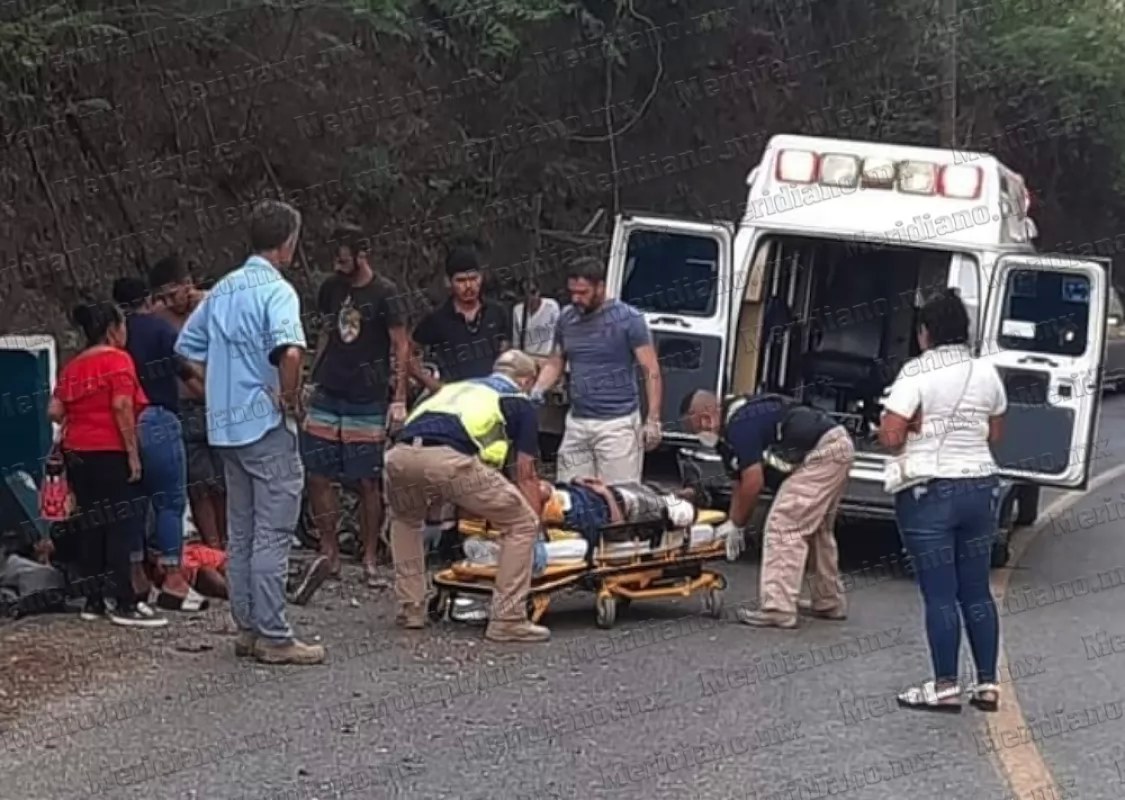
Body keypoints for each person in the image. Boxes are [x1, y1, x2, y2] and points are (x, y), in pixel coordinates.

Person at [175, 199, 322, 666]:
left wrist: (214, 387)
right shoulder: (277, 291)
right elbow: (291, 352)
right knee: (272, 533)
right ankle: (275, 634)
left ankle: (247, 627)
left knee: (241, 530)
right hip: (265, 424)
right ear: (288, 243)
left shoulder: (223, 288)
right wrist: (289, 398)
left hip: (225, 426)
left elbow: (185, 348)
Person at [878, 288, 1007, 713]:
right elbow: (995, 434)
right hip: (981, 486)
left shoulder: (916, 371)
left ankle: (945, 685)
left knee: (940, 594)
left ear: (925, 331)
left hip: (930, 490)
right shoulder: (986, 372)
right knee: (976, 590)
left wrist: (913, 427)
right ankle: (987, 684)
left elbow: (891, 437)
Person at [384, 350, 546, 642]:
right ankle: (508, 619)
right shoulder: (518, 402)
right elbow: (526, 474)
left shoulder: (455, 390)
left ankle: (412, 609)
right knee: (521, 523)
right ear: (525, 381)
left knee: (406, 521)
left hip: (400, 455)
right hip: (448, 460)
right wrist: (536, 535)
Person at [681, 388, 854, 629]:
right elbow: (739, 482)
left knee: (784, 525)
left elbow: (754, 482)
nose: (697, 434)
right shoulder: (731, 429)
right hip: (833, 445)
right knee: (816, 529)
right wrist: (733, 522)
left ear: (705, 418)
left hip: (822, 453)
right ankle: (827, 601)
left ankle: (778, 608)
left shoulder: (740, 425)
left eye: (694, 428)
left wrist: (738, 524)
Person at [48, 301, 168, 628]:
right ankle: (123, 600)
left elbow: (54, 410)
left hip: (78, 453)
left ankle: (94, 600)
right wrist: (132, 453)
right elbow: (121, 406)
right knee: (119, 525)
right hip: (109, 450)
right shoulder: (118, 360)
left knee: (91, 524)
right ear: (113, 329)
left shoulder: (73, 365)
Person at [302, 228, 411, 584]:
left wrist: (399, 396)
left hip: (367, 395)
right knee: (318, 473)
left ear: (362, 255)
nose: (338, 266)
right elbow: (325, 332)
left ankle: (369, 556)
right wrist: (312, 377)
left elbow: (401, 344)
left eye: (344, 259)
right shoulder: (330, 288)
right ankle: (329, 550)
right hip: (329, 389)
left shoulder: (386, 293)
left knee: (366, 479)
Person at [113, 277, 210, 613]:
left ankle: (137, 576)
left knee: (134, 500)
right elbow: (184, 371)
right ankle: (173, 578)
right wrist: (211, 397)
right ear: (148, 299)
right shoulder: (160, 330)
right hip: (158, 417)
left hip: (123, 422)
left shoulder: (114, 335)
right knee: (169, 501)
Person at [532, 256, 663, 483]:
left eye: (583, 293)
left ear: (600, 287)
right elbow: (556, 360)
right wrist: (538, 389)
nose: (576, 298)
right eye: (572, 292)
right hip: (577, 422)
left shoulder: (629, 319)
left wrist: (653, 419)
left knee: (619, 495)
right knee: (571, 493)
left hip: (618, 425)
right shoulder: (566, 318)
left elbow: (651, 370)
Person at [150, 255, 227, 549]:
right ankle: (212, 545)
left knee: (223, 479)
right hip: (184, 404)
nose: (171, 302)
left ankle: (228, 541)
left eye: (174, 294)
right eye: (164, 297)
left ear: (188, 284)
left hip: (218, 402)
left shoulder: (213, 304)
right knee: (198, 482)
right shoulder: (159, 317)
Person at [411, 240, 510, 390]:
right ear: (448, 282)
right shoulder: (438, 319)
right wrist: (434, 386)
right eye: (461, 280)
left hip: (491, 393)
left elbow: (507, 354)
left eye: (473, 278)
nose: (468, 286)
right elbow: (408, 352)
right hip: (454, 396)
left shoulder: (497, 312)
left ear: (481, 277)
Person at [512, 278, 560, 357]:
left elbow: (560, 333)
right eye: (524, 293)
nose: (530, 297)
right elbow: (516, 339)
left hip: (548, 356)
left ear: (539, 291)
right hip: (528, 357)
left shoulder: (551, 306)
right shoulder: (517, 310)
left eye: (533, 292)